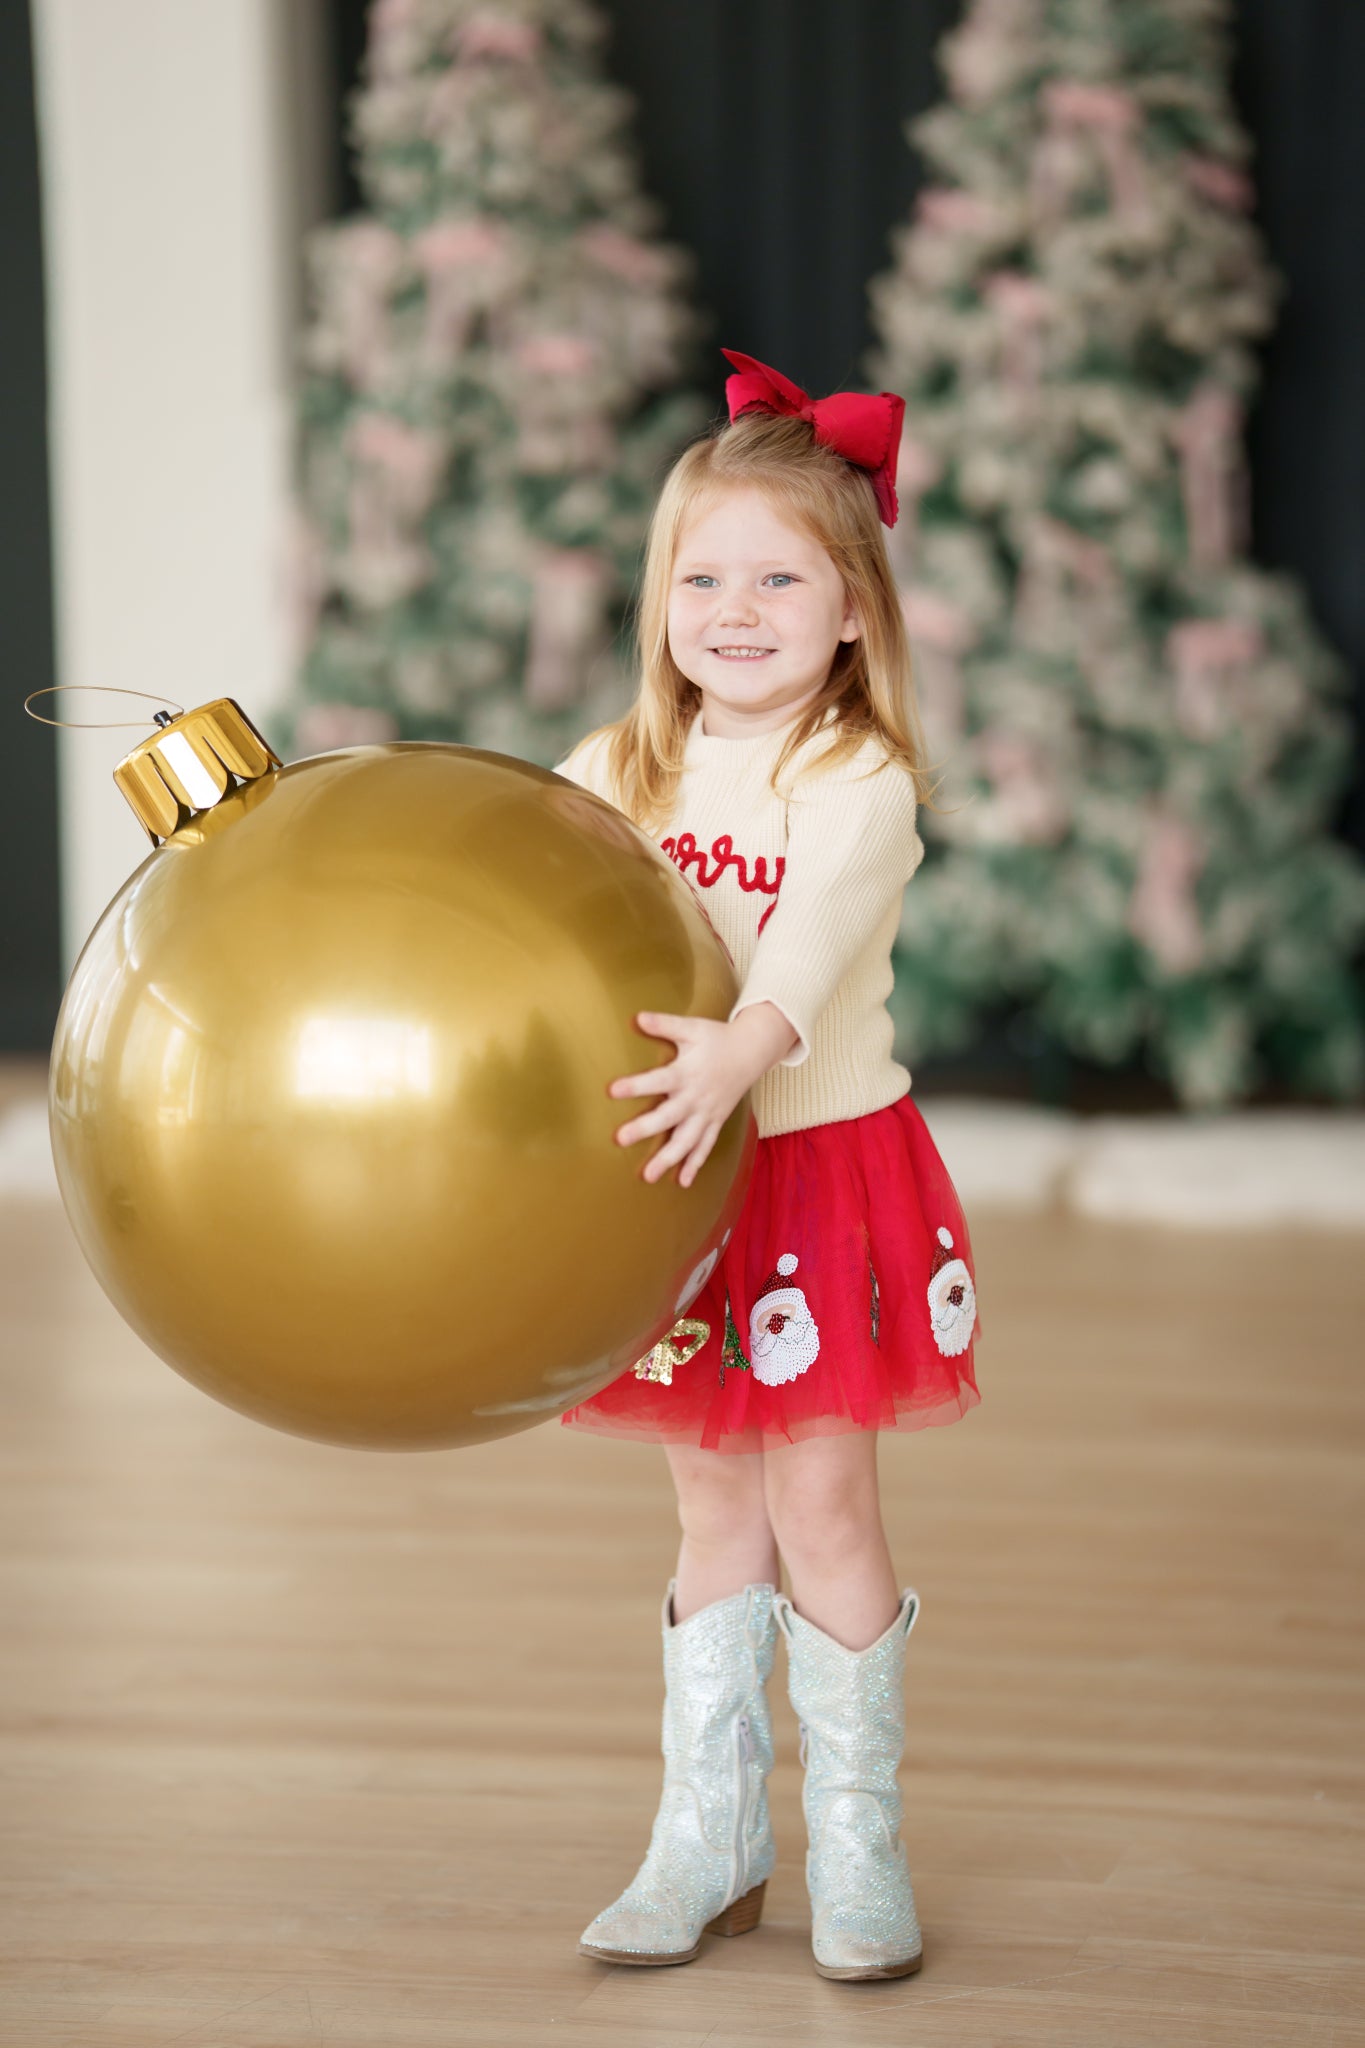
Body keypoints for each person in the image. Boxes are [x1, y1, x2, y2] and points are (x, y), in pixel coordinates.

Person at [553, 347, 981, 1983]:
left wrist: (738, 1046)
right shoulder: (619, 768)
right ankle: (708, 1839)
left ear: (853, 606)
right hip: (676, 1178)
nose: (735, 607)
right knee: (706, 1503)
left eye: (780, 577)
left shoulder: (855, 775)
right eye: (702, 575)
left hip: (807, 1169)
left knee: (820, 1494)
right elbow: (536, 892)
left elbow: (804, 947)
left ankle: (858, 1845)